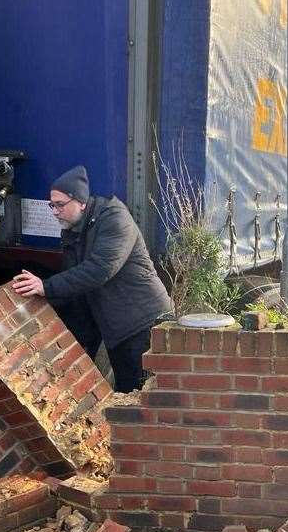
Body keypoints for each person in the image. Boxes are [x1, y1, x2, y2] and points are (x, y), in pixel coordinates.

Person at [12, 166, 170, 392]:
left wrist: (46, 287)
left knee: (141, 394)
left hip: (142, 322)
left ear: (81, 202)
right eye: (52, 205)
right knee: (126, 392)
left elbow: (99, 270)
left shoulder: (115, 219)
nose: (54, 211)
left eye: (60, 205)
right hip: (115, 328)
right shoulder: (74, 228)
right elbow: (77, 287)